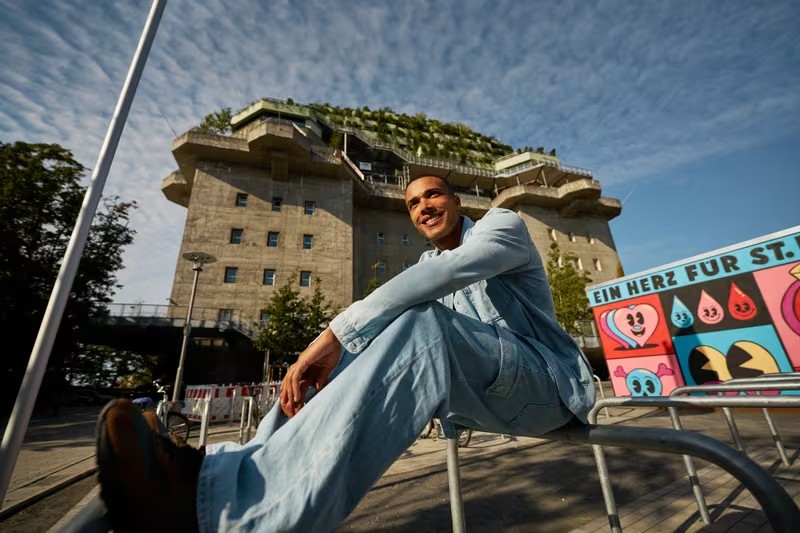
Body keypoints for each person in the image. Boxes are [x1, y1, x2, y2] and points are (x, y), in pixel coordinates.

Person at [96, 175, 595, 532]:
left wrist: (332, 335)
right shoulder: (425, 260)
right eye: (414, 205)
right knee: (339, 363)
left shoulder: (500, 226)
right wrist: (329, 365)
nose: (424, 207)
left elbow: (448, 275)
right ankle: (210, 478)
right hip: (486, 398)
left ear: (457, 201)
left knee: (419, 320)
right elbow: (405, 305)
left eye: (433, 195)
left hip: (548, 387)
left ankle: (245, 517)